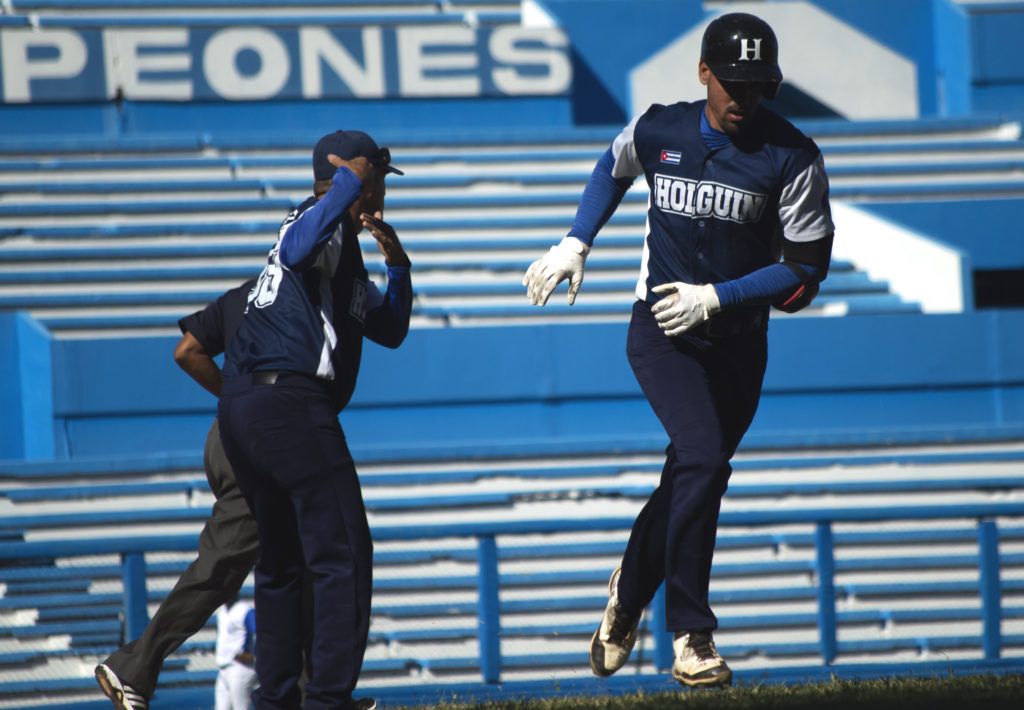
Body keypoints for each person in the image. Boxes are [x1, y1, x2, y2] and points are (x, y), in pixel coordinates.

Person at [523, 12, 833, 688]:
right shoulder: (661, 127)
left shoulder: (794, 155)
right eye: (732, 83)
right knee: (703, 459)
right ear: (704, 73)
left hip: (738, 343)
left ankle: (627, 594)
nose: (743, 99)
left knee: (693, 475)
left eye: (757, 86)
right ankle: (692, 636)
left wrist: (719, 297)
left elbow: (806, 266)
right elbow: (613, 166)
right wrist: (578, 239)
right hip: (662, 332)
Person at [217, 130, 412, 710]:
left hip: (249, 407)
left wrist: (397, 264)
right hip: (288, 404)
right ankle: (327, 699)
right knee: (344, 553)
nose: (383, 189)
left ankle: (279, 702)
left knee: (282, 564)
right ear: (358, 175)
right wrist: (350, 182)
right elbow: (301, 245)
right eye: (378, 176)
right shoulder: (314, 221)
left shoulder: (341, 248)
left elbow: (390, 329)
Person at [96, 278, 261, 710]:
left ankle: (313, 693)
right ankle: (135, 665)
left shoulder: (246, 292)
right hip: (259, 436)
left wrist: (235, 398)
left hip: (230, 430)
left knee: (297, 557)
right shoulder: (300, 290)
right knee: (224, 565)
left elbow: (186, 350)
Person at [215, 596, 258, 710]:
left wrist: (253, 654)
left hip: (240, 667)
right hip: (223, 668)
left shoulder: (244, 610)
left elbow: (257, 632)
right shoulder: (222, 611)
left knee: (241, 707)